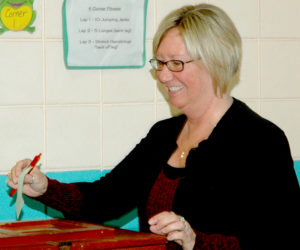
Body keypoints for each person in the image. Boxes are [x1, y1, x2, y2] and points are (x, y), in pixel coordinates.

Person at [7, 3, 300, 250]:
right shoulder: (163, 134)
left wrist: (196, 242)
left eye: (175, 63)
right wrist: (45, 188)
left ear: (216, 62)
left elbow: (280, 239)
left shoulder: (261, 141)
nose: (163, 76)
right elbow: (105, 199)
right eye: (159, 63)